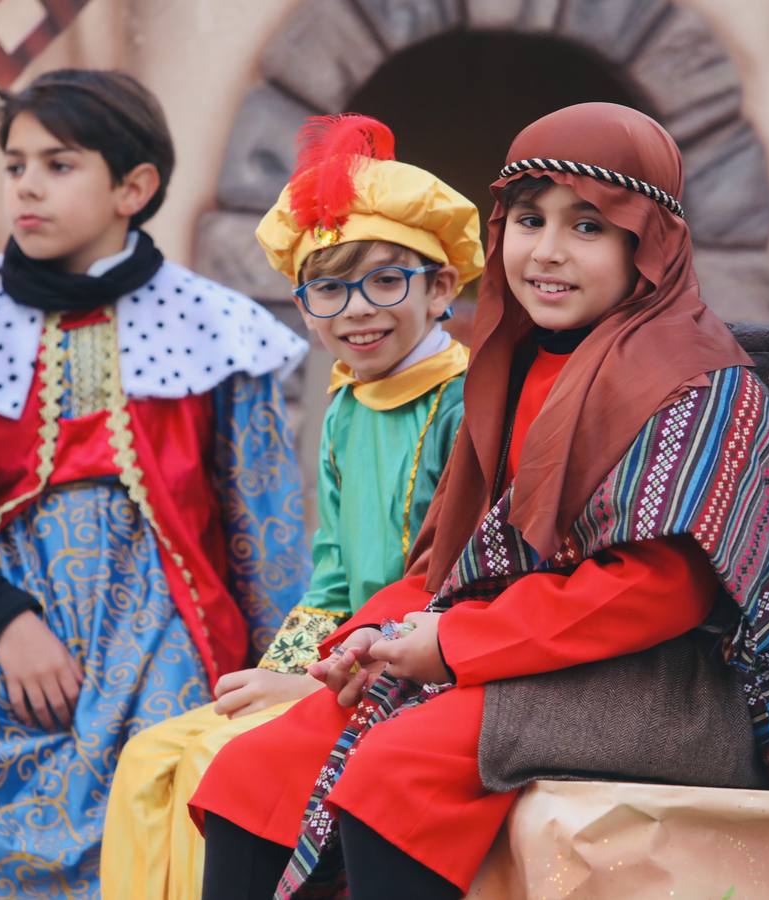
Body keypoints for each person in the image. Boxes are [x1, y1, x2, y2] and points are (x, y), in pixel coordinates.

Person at [189, 102, 769, 900]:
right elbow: (454, 562)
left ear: (646, 241)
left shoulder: (694, 383)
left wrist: (454, 645)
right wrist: (369, 638)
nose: (548, 252)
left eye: (588, 226)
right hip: (521, 657)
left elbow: (660, 592)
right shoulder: (510, 369)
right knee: (259, 766)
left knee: (398, 767)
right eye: (529, 220)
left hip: (666, 682)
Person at [0, 68, 310, 899]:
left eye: (58, 165)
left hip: (161, 637)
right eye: (16, 164)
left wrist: (295, 673)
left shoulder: (216, 328)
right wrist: (4, 621)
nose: (27, 186)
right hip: (3, 625)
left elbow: (267, 524)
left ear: (134, 186)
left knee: (156, 806)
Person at [100, 114, 483, 900]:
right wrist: (285, 671)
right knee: (151, 758)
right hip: (344, 656)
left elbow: (453, 582)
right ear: (303, 306)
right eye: (328, 288)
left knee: (218, 761)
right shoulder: (347, 405)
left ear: (442, 285)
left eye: (386, 280)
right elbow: (335, 574)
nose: (356, 310)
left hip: (421, 666)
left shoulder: (468, 405)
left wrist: (319, 687)